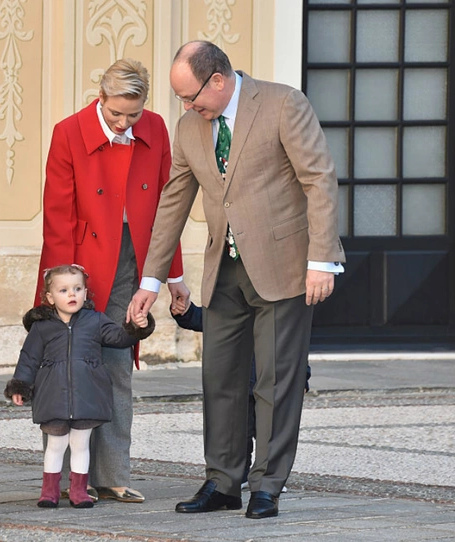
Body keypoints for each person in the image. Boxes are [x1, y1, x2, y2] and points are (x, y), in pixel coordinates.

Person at [127, 40, 345, 519]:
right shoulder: (189, 128)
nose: (186, 107)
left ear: (219, 80)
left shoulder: (284, 103)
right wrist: (150, 280)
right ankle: (223, 482)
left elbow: (319, 179)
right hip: (224, 270)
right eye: (182, 99)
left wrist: (322, 258)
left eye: (191, 96)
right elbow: (172, 203)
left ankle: (267, 484)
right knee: (219, 377)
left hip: (286, 266)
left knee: (275, 379)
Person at [36, 58, 188, 503]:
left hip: (133, 262)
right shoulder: (69, 132)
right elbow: (57, 214)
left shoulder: (157, 130)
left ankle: (113, 474)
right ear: (99, 97)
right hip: (78, 264)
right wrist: (62, 283)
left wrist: (171, 274)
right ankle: (61, 479)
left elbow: (168, 208)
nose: (124, 122)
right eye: (115, 112)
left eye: (133, 114)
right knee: (67, 365)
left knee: (118, 365)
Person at [5, 265, 154, 508]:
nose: (72, 294)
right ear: (50, 298)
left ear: (86, 292)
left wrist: (138, 325)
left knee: (80, 444)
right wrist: (20, 386)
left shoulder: (95, 321)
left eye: (77, 289)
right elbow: (29, 358)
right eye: (64, 290)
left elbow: (120, 338)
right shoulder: (42, 327)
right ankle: (49, 491)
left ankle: (79, 491)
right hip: (53, 395)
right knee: (55, 445)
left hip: (87, 396)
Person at [171, 299, 310, 491]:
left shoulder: (276, 313)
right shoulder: (232, 307)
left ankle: (267, 475)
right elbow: (209, 320)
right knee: (239, 430)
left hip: (269, 382)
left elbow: (292, 349)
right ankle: (241, 472)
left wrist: (302, 378)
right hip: (239, 381)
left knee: (268, 429)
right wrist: (185, 311)